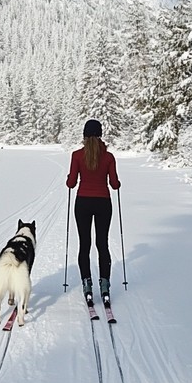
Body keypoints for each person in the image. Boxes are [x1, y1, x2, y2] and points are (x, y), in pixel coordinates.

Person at [66, 118, 121, 306]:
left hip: (83, 203)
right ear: (100, 135)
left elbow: (71, 183)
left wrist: (69, 178)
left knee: (84, 244)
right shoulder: (109, 157)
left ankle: (87, 285)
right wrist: (117, 182)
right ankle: (104, 286)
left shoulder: (76, 156)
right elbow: (114, 185)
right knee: (102, 244)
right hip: (103, 203)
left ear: (84, 135)